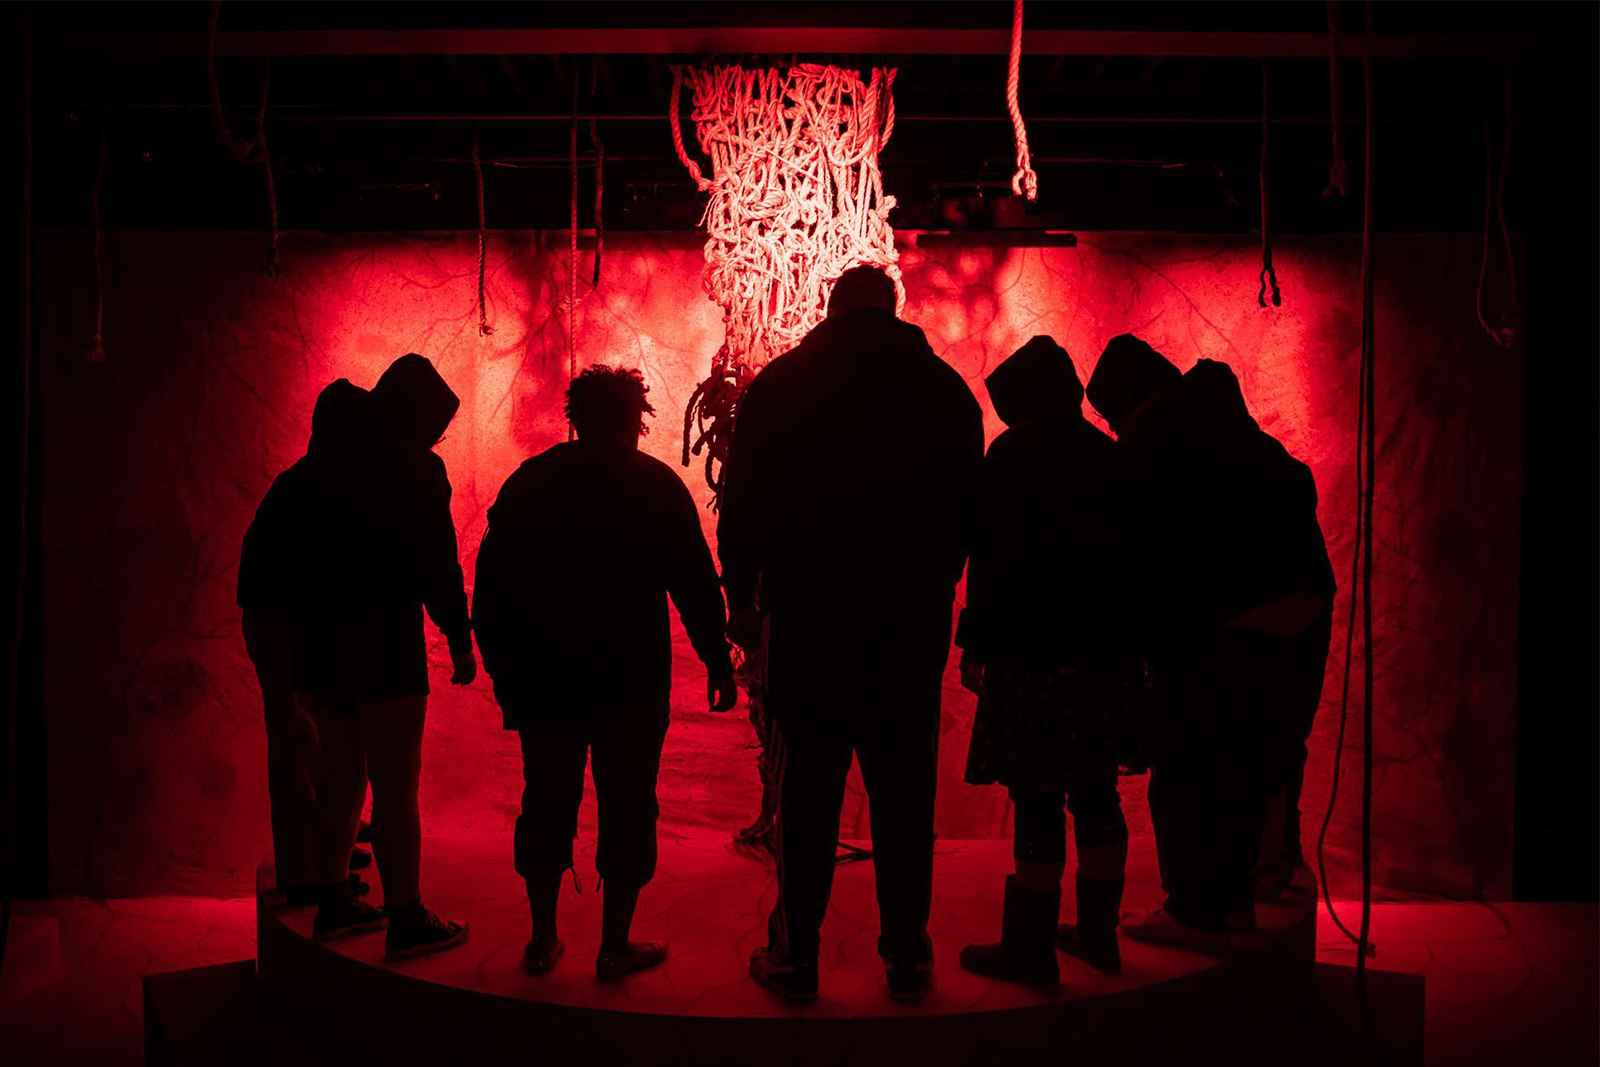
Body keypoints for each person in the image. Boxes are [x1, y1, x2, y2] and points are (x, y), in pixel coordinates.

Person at [718, 264, 984, 1002]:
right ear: (893, 310)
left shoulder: (781, 387)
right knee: (905, 791)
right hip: (909, 619)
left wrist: (742, 599)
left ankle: (795, 953)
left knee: (806, 787)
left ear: (832, 310)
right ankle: (907, 952)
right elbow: (972, 512)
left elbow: (742, 507)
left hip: (810, 618)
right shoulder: (944, 392)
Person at [474, 365, 737, 980]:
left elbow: (490, 593)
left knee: (544, 805)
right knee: (628, 808)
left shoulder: (530, 483)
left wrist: (503, 672)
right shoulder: (656, 486)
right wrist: (718, 661)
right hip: (632, 686)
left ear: (575, 415)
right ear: (636, 418)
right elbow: (695, 586)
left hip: (546, 683)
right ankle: (614, 945)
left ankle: (543, 941)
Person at [1086, 336, 1329, 954]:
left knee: (1188, 765)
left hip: (1227, 617)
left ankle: (1195, 914)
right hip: (1301, 605)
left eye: (1110, 414)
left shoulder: (1154, 430)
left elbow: (1137, 549)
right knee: (1246, 762)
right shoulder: (1225, 421)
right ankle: (1238, 904)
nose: (1114, 428)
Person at [954, 337, 1139, 986]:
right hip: (1102, 658)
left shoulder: (1009, 458)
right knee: (1096, 791)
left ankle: (1030, 950)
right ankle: (1098, 936)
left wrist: (973, 641)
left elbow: (990, 560)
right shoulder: (1110, 458)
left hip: (1028, 657)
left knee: (1035, 799)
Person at [297, 353, 476, 959]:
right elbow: (436, 561)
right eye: (436, 426)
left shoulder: (324, 463)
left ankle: (334, 903)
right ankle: (405, 916)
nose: (438, 438)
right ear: (418, 415)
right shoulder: (416, 469)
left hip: (318, 641)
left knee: (340, 778)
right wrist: (458, 634)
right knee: (396, 785)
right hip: (383, 643)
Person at [239, 379, 369, 904]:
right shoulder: (322, 485)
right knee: (298, 743)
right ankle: (303, 871)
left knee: (304, 742)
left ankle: (317, 853)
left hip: (275, 619)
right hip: (283, 624)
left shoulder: (302, 480)